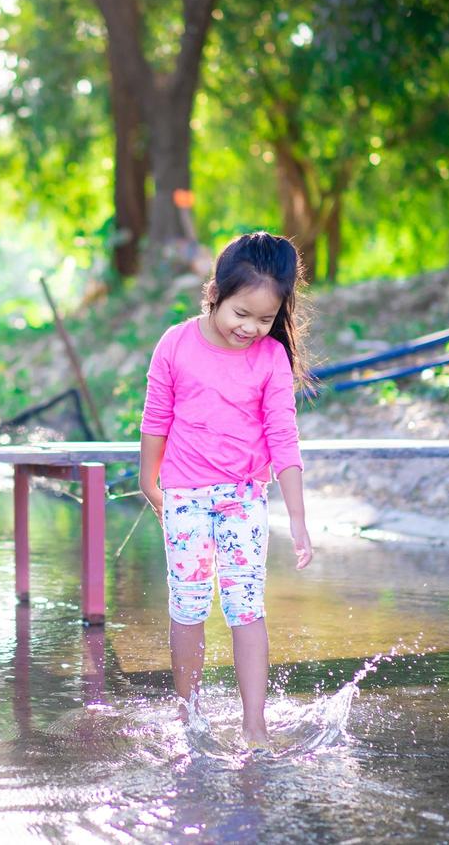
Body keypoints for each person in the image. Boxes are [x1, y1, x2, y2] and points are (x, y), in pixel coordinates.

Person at [138, 231, 314, 749]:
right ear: (215, 292)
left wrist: (298, 517)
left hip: (243, 499)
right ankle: (191, 716)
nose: (251, 328)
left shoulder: (270, 359)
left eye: (264, 319)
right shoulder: (175, 343)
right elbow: (157, 417)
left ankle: (254, 724)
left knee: (246, 607)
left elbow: (284, 436)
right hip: (186, 497)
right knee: (189, 607)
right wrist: (151, 484)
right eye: (242, 313)